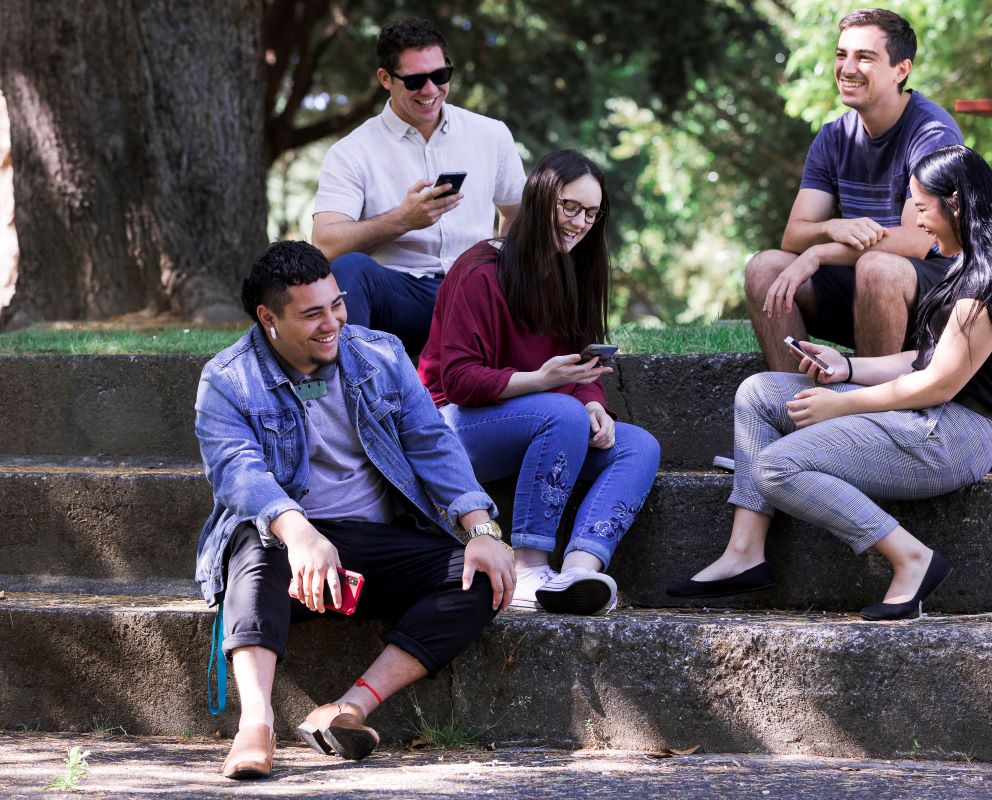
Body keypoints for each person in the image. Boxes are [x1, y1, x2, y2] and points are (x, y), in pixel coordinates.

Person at [670, 145, 992, 620]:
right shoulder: (965, 264)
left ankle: (911, 558)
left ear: (955, 203)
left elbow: (937, 384)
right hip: (923, 417)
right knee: (759, 393)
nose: (918, 222)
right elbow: (922, 360)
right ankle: (745, 553)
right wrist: (848, 369)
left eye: (922, 208)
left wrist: (841, 405)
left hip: (954, 434)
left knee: (775, 468)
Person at [195, 241, 515, 780]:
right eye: (312, 313)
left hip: (373, 544)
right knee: (252, 551)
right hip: (285, 541)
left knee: (479, 578)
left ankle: (349, 708)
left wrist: (480, 527)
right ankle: (257, 723)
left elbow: (431, 442)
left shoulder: (381, 354)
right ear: (267, 318)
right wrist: (299, 532)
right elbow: (237, 471)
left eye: (336, 304)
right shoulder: (228, 380)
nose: (332, 322)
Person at [419, 150, 660, 615]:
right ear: (540, 198)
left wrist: (592, 403)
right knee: (561, 412)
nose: (580, 222)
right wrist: (542, 381)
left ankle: (579, 570)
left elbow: (581, 361)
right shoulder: (480, 271)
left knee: (638, 446)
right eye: (570, 206)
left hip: (547, 424)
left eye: (591, 212)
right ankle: (529, 568)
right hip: (450, 431)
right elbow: (459, 381)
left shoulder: (572, 271)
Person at [746, 8, 963, 370]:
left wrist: (819, 253)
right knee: (764, 268)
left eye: (864, 57)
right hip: (866, 289)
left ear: (901, 70)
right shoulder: (834, 137)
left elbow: (916, 241)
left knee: (878, 267)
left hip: (937, 294)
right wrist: (832, 227)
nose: (847, 68)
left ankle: (872, 417)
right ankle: (792, 404)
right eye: (841, 54)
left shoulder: (931, 132)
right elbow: (794, 236)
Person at [311, 17, 526, 357]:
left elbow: (518, 212)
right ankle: (356, 391)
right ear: (385, 78)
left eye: (440, 76)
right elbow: (325, 243)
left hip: (476, 290)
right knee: (349, 268)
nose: (430, 90)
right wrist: (403, 220)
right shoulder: (352, 151)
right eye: (414, 80)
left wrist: (502, 263)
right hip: (404, 295)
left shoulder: (491, 134)